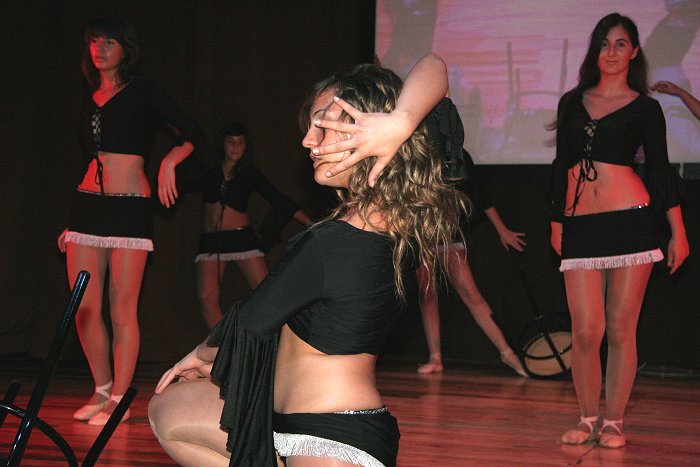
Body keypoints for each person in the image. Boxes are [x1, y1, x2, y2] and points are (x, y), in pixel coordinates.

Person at [148, 53, 465, 466]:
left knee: (168, 403)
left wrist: (198, 356)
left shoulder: (337, 242)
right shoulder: (394, 224)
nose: (307, 141)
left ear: (371, 128)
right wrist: (403, 123)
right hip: (296, 426)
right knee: (170, 411)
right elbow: (435, 68)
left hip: (332, 441)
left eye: (323, 125)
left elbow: (250, 322)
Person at [549, 13, 689, 448]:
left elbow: (660, 170)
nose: (612, 52)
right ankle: (586, 417)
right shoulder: (572, 102)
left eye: (621, 43)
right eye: (605, 43)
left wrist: (678, 231)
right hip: (580, 225)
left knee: (620, 328)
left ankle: (614, 421)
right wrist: (556, 220)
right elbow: (560, 165)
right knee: (585, 331)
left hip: (632, 222)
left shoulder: (645, 107)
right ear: (596, 49)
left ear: (634, 51)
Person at [56, 16, 205, 426]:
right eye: (95, 41)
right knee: (84, 308)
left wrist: (170, 161)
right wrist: (71, 221)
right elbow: (87, 159)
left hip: (129, 207)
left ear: (126, 49)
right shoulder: (91, 96)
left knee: (121, 308)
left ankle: (119, 400)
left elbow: (193, 131)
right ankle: (101, 389)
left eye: (109, 42)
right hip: (86, 206)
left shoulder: (143, 90)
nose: (100, 49)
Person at [417, 97, 527, 376]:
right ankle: (435, 357)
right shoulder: (414, 155)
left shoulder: (456, 155)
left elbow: (479, 194)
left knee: (470, 292)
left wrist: (502, 230)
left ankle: (507, 352)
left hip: (449, 234)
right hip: (421, 235)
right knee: (427, 295)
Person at [196, 122, 312, 329]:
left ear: (246, 146)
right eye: (230, 142)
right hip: (211, 241)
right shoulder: (209, 171)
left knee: (267, 294)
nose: (235, 147)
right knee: (207, 298)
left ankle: (284, 339)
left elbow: (277, 198)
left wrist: (308, 222)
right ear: (222, 144)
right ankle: (222, 345)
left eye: (240, 142)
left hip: (241, 238)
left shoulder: (250, 173)